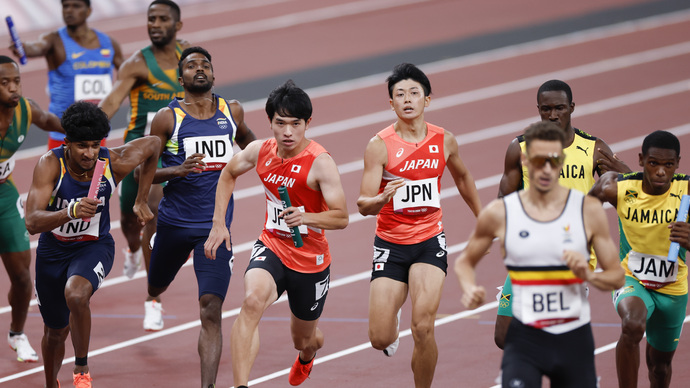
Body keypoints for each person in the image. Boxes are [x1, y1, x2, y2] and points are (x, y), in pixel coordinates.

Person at [455, 121, 625, 387]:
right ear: (525, 159)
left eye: (553, 160)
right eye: (539, 160)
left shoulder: (587, 211)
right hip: (525, 340)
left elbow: (616, 276)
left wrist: (588, 275)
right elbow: (465, 260)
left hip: (572, 337)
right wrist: (468, 287)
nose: (546, 168)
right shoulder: (500, 212)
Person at [204, 79, 348, 387]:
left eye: (296, 124)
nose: (287, 132)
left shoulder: (321, 163)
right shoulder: (259, 151)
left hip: (311, 259)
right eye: (280, 123)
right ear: (269, 122)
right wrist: (219, 223)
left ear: (307, 123)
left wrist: (305, 216)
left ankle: (307, 356)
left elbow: (342, 217)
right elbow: (228, 173)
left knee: (304, 339)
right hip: (272, 245)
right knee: (251, 302)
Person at [356, 63, 482, 388]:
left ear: (427, 99)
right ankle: (393, 312)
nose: (408, 99)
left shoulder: (445, 140)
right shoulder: (379, 146)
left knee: (423, 327)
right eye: (400, 94)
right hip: (390, 244)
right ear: (391, 103)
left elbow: (464, 176)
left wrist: (482, 217)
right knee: (379, 338)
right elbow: (363, 204)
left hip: (429, 240)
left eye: (414, 93)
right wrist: (382, 197)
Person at [24, 101, 159, 388]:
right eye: (82, 146)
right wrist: (70, 211)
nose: (89, 153)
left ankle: (81, 368)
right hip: (53, 250)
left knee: (76, 294)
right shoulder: (50, 165)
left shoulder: (112, 162)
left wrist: (141, 198)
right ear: (67, 143)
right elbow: (32, 222)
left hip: (94, 246)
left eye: (95, 145)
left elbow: (153, 144)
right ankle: (51, 383)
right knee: (54, 332)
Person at [146, 46, 255, 387]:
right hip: (174, 225)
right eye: (191, 65)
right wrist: (177, 170)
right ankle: (150, 247)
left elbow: (253, 146)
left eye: (204, 64)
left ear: (213, 74)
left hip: (215, 229)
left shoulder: (231, 111)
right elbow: (143, 174)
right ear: (181, 78)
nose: (198, 69)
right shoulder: (167, 118)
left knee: (210, 307)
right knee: (156, 284)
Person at [493, 79, 630, 350]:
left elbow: (629, 194)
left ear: (572, 108)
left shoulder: (592, 148)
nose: (553, 115)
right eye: (546, 109)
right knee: (504, 336)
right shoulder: (520, 148)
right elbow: (503, 201)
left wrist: (623, 171)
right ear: (538, 110)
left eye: (559, 108)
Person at [98, 0, 188, 330]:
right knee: (127, 220)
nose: (155, 23)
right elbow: (111, 101)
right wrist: (89, 127)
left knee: (153, 205)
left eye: (163, 19)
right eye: (151, 18)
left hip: (174, 148)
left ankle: (153, 299)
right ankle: (133, 250)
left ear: (178, 26)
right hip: (137, 149)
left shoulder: (189, 58)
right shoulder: (136, 64)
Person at [589, 130, 689, 388]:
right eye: (653, 163)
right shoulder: (617, 187)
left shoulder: (687, 191)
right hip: (632, 280)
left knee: (660, 368)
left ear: (678, 163)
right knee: (632, 325)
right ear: (641, 159)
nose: (660, 172)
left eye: (668, 165)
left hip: (673, 288)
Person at [0, 55, 63, 363]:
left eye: (16, 81)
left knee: (23, 277)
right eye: (4, 83)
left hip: (4, 198)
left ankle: (16, 334)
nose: (13, 88)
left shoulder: (25, 109)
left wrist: (86, 126)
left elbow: (54, 123)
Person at [10, 0, 123, 149]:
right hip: (63, 133)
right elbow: (37, 47)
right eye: (66, 6)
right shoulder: (54, 40)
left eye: (76, 6)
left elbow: (127, 76)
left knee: (96, 172)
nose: (69, 10)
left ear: (88, 10)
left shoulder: (108, 43)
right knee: (57, 172)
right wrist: (24, 48)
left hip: (95, 131)